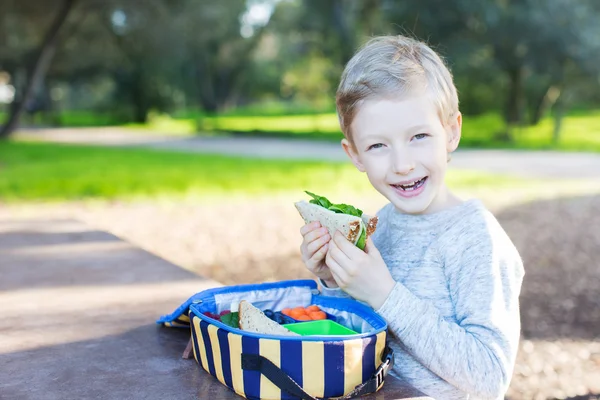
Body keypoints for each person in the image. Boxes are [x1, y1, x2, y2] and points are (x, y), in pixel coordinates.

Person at [299, 35, 524, 400]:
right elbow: (351, 337)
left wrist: (384, 294)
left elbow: (489, 375)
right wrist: (334, 280)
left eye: (419, 136)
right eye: (377, 146)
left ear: (451, 132)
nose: (402, 164)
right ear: (354, 154)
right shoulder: (379, 225)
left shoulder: (475, 238)